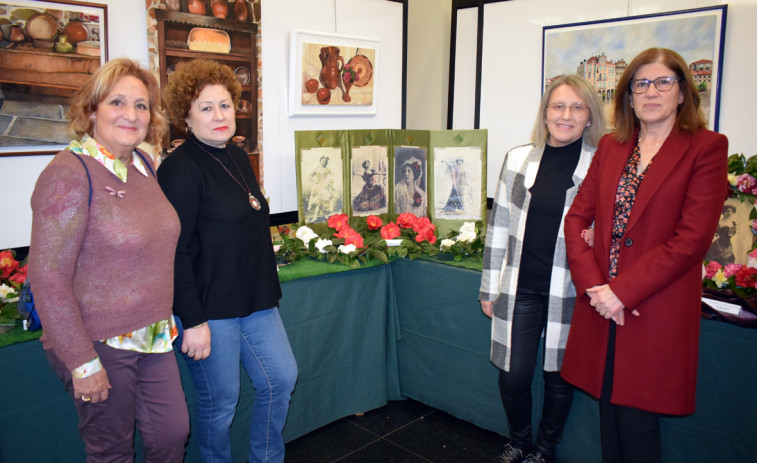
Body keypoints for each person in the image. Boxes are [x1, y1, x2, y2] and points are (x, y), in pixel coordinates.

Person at [561, 48, 728, 463]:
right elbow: (575, 220)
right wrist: (596, 288)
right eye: (641, 84)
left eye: (663, 82)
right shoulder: (613, 147)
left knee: (637, 425)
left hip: (654, 307)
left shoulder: (705, 147)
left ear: (683, 92)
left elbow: (690, 240)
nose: (651, 92)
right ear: (628, 96)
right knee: (608, 413)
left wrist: (623, 292)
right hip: (602, 306)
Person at [28, 58, 189, 462]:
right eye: (117, 102)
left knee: (172, 435)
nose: (131, 114)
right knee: (111, 450)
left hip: (154, 333)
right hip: (100, 339)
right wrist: (82, 361)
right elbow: (48, 278)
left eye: (141, 105)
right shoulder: (69, 173)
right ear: (91, 109)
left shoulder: (144, 164)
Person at [158, 59, 298, 463]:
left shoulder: (236, 156)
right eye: (206, 108)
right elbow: (175, 253)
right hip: (209, 310)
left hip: (255, 300)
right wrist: (194, 321)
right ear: (185, 116)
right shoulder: (179, 171)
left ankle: (267, 458)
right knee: (220, 404)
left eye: (224, 105)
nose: (219, 116)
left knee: (280, 380)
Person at [479, 74, 606, 463]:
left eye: (576, 107)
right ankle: (519, 441)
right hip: (520, 287)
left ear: (589, 116)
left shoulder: (601, 164)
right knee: (513, 374)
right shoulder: (518, 158)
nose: (566, 115)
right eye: (558, 106)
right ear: (546, 113)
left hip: (572, 290)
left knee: (559, 375)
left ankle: (545, 449)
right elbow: (498, 223)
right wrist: (489, 286)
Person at [307, 155, 339, 221]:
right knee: (319, 201)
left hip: (325, 186)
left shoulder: (327, 169)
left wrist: (328, 180)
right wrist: (315, 180)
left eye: (325, 161)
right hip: (318, 186)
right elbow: (310, 177)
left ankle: (324, 214)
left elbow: (332, 175)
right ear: (320, 161)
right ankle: (315, 216)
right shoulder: (316, 169)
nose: (323, 162)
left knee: (324, 201)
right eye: (322, 161)